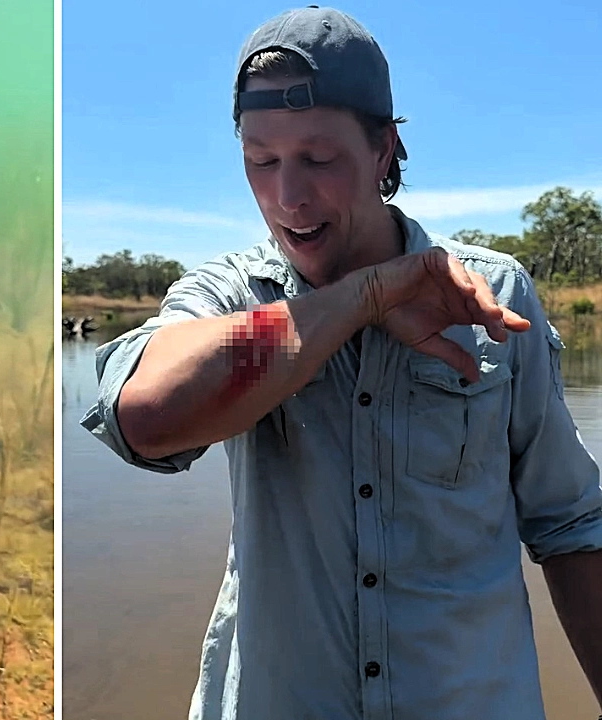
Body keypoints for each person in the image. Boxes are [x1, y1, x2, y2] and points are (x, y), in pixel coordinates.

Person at [79, 5, 602, 720]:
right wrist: (364, 298)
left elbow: (570, 524)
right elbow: (143, 418)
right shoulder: (232, 294)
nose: (288, 197)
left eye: (319, 159)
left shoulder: (493, 295)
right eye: (261, 160)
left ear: (384, 150)